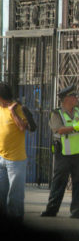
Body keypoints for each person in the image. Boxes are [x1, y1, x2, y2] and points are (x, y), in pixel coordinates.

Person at [41, 85, 79, 218]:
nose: (77, 98)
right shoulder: (56, 114)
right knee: (59, 183)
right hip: (63, 154)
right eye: (74, 96)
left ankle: (76, 212)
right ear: (66, 99)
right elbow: (59, 129)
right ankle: (51, 210)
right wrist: (75, 127)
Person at [0, 82, 28, 221]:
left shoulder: (18, 109)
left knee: (15, 195)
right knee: (1, 193)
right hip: (1, 158)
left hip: (16, 160)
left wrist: (12, 112)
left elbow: (23, 127)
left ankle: (16, 221)